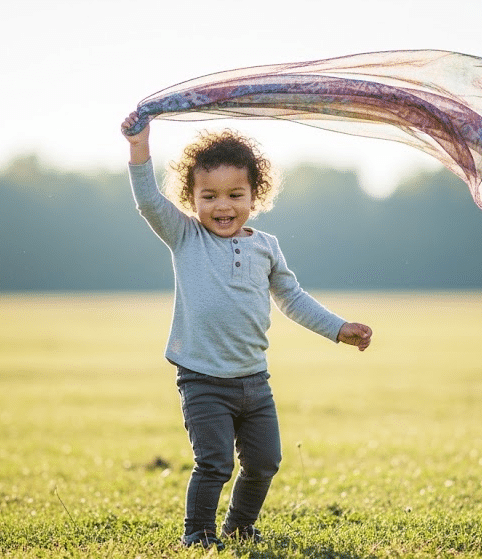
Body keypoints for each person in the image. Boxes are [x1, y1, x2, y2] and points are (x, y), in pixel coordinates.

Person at [121, 112, 373, 550]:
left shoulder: (266, 247)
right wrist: (139, 146)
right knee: (214, 462)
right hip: (202, 379)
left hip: (254, 380)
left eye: (235, 194)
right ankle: (197, 533)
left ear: (255, 196)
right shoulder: (184, 236)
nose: (223, 206)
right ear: (191, 199)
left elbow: (292, 299)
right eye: (210, 196)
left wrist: (338, 328)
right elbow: (146, 200)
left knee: (265, 461)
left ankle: (239, 525)